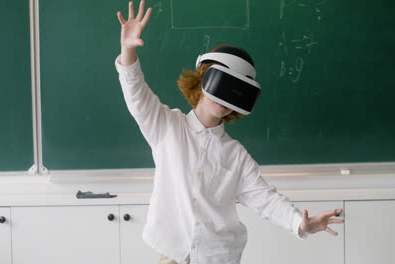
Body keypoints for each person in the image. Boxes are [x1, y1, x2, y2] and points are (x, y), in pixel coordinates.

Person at [115, 1, 344, 264]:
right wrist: (127, 48)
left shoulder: (235, 155)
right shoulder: (167, 127)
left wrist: (299, 225)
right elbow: (135, 92)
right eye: (223, 83)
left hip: (219, 258)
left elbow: (265, 199)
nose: (225, 98)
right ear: (203, 79)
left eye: (237, 90)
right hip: (172, 255)